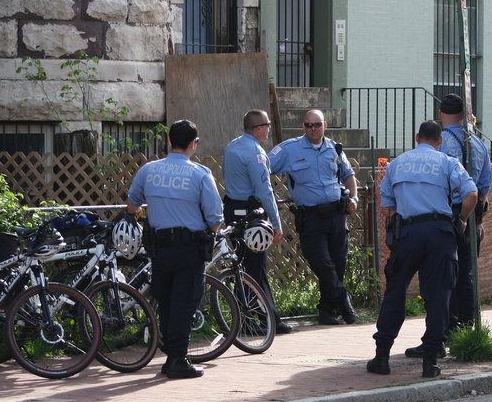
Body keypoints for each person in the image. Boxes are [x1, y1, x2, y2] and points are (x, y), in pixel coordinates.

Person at [369, 120, 478, 378]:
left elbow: (387, 207)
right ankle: (431, 361)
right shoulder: (447, 162)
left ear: (417, 137)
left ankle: (382, 356)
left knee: (395, 292)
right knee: (439, 296)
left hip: (408, 233)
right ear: (440, 141)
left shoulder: (396, 164)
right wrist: (461, 220)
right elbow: (471, 194)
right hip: (440, 233)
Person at [126, 119, 224, 379]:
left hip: (159, 249)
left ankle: (170, 356)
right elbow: (215, 219)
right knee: (185, 303)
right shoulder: (201, 174)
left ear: (169, 141)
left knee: (167, 302)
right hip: (189, 249)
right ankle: (178, 360)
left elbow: (133, 204)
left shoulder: (149, 170)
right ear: (194, 144)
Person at [405, 93, 492, 358]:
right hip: (471, 211)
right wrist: (476, 219)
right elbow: (485, 185)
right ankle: (465, 329)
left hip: (445, 215)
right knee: (465, 275)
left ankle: (439, 334)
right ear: (465, 115)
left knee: (439, 279)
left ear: (441, 114)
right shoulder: (477, 143)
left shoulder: (441, 144)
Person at [268, 109, 359, 325]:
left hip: (337, 214)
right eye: (309, 125)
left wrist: (354, 198)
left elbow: (348, 175)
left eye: (317, 124)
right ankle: (344, 301)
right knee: (321, 262)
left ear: (324, 125)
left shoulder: (334, 148)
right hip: (311, 217)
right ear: (303, 127)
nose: (313, 129)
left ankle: (326, 311)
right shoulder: (291, 149)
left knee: (338, 264)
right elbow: (263, 167)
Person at [222, 109, 293, 335]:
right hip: (251, 215)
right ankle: (265, 319)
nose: (269, 129)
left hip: (233, 211)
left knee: (242, 265)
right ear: (259, 128)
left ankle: (249, 317)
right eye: (268, 125)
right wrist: (276, 222)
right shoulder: (255, 152)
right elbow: (264, 189)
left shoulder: (232, 146)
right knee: (254, 267)